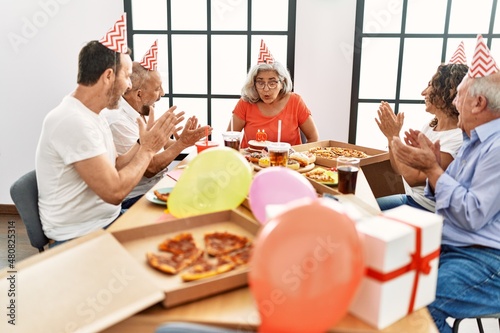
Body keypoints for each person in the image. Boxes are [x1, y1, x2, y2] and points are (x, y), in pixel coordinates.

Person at [35, 14, 177, 247]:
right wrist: (149, 150)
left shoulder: (93, 115)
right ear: (109, 76)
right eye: (128, 76)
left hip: (108, 219)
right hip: (81, 234)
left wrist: (143, 142)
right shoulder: (72, 121)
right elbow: (115, 191)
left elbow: (116, 165)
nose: (130, 85)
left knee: (181, 214)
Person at [390, 35, 500, 333]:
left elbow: (472, 214)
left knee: (419, 302)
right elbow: (449, 196)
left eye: (459, 95)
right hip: (455, 242)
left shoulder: (497, 147)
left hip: (488, 258)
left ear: (478, 102)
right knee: (391, 276)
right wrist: (436, 166)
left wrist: (433, 170)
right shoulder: (471, 141)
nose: (453, 101)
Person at [103, 41, 211, 209]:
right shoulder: (118, 120)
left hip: (158, 186)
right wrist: (181, 145)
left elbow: (162, 145)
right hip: (137, 198)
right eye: (158, 88)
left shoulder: (140, 111)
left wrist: (185, 140)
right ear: (139, 94)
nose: (163, 93)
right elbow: (150, 167)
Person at [375, 62, 468, 212]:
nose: (423, 92)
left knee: (362, 212)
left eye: (430, 85)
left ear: (448, 92)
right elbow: (399, 170)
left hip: (426, 209)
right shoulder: (430, 127)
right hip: (410, 198)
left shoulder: (458, 138)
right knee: (356, 207)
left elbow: (413, 178)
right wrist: (390, 138)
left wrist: (394, 136)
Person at [228, 40, 319, 148]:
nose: (266, 89)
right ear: (254, 83)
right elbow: (230, 139)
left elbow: (313, 137)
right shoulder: (245, 103)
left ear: (282, 83)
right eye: (260, 82)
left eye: (272, 82)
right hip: (251, 162)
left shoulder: (295, 101)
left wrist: (301, 159)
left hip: (287, 163)